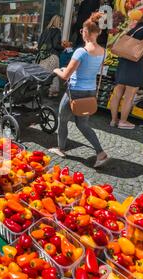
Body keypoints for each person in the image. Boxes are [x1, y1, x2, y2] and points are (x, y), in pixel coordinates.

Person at [49, 12, 109, 168]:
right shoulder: (103, 51)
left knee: (62, 119)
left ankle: (61, 148)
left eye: (82, 31)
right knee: (83, 125)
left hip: (75, 92)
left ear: (86, 32)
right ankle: (100, 153)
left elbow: (65, 75)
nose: (82, 33)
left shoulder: (81, 51)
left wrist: (56, 70)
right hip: (90, 92)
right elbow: (88, 69)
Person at [108, 11, 143, 130]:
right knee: (129, 96)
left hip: (123, 62)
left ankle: (113, 120)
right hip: (134, 64)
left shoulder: (134, 29)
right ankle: (123, 121)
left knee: (117, 93)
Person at [37, 15, 64, 97]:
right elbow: (55, 45)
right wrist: (64, 47)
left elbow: (39, 45)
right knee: (54, 75)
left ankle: (38, 91)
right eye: (61, 22)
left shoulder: (46, 30)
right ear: (58, 22)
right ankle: (52, 93)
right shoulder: (57, 31)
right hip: (52, 56)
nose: (62, 24)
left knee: (42, 75)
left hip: (43, 57)